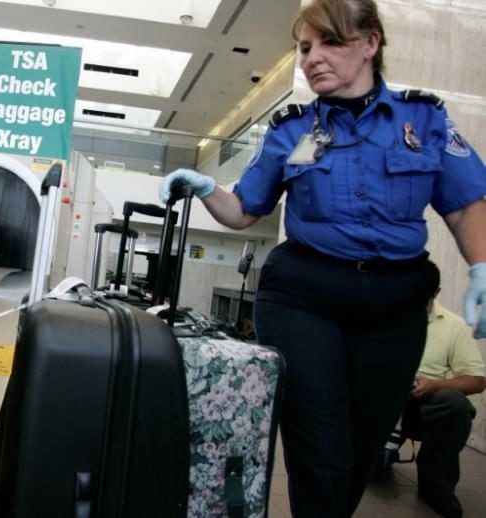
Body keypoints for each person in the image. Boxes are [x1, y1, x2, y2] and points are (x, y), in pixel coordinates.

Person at [158, 0, 486, 516]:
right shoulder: (292, 129)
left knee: (362, 447)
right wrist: (206, 189)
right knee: (319, 445)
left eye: (330, 42)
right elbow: (245, 209)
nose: (312, 58)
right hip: (304, 299)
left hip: (394, 307)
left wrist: (481, 267)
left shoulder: (424, 119)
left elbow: (465, 205)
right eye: (305, 47)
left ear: (370, 43)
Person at [386, 261, 485, 517]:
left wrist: (434, 385)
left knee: (454, 404)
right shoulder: (380, 316)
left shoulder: (454, 325)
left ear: (436, 292)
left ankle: (436, 487)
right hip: (380, 402)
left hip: (421, 405)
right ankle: (373, 458)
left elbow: (476, 380)